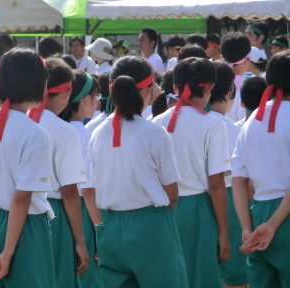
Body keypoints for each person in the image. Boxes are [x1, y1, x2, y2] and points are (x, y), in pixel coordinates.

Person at [88, 55, 187, 287]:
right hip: (151, 224)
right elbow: (172, 194)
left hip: (110, 226)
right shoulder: (155, 134)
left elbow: (90, 190)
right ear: (148, 90)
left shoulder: (95, 134)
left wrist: (102, 229)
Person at [0, 48, 55, 287]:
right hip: (25, 230)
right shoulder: (34, 133)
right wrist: (8, 253)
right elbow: (21, 198)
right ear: (37, 83)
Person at [152, 57, 231, 288]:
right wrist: (224, 233)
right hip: (197, 209)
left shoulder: (155, 122)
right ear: (208, 88)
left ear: (175, 88)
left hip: (161, 208)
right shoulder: (214, 125)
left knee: (169, 277)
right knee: (201, 277)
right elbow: (215, 183)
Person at [232, 51, 290, 288]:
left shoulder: (253, 118)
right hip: (283, 215)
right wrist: (274, 224)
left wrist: (247, 228)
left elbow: (238, 179)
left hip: (257, 215)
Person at [29, 58, 88, 287]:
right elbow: (70, 191)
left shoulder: (18, 120)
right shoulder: (64, 130)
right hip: (55, 214)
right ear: (66, 93)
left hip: (17, 211)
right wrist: (80, 241)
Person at [207, 61, 248, 288]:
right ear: (231, 90)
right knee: (235, 277)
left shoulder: (188, 124)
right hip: (232, 203)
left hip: (194, 204)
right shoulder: (235, 130)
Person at [62, 70, 102, 288]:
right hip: (80, 211)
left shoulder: (54, 128)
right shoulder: (84, 134)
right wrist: (100, 230)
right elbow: (88, 190)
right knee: (85, 275)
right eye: (97, 97)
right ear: (87, 99)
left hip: (53, 210)